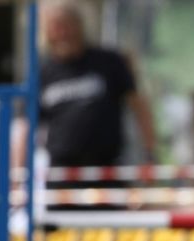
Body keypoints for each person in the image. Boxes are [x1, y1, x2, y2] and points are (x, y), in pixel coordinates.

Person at [37, 1, 157, 168]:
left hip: (108, 168)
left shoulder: (109, 62)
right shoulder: (42, 73)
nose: (63, 34)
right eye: (56, 27)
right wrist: (16, 169)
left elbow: (138, 105)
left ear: (79, 26)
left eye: (67, 26)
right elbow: (25, 125)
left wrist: (150, 152)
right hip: (62, 171)